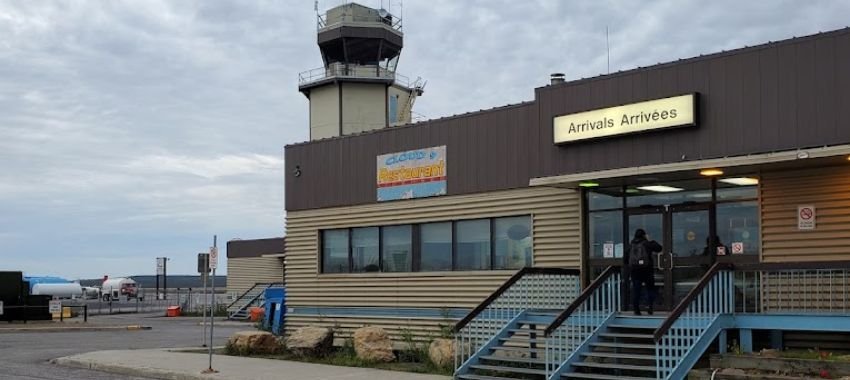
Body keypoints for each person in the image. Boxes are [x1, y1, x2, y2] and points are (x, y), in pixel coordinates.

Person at [627, 229, 663, 315]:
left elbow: (625, 259)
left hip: (635, 272)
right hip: (647, 271)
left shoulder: (630, 245)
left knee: (636, 291)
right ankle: (649, 307)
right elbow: (659, 248)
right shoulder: (647, 243)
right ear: (644, 235)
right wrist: (650, 240)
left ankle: (636, 310)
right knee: (650, 289)